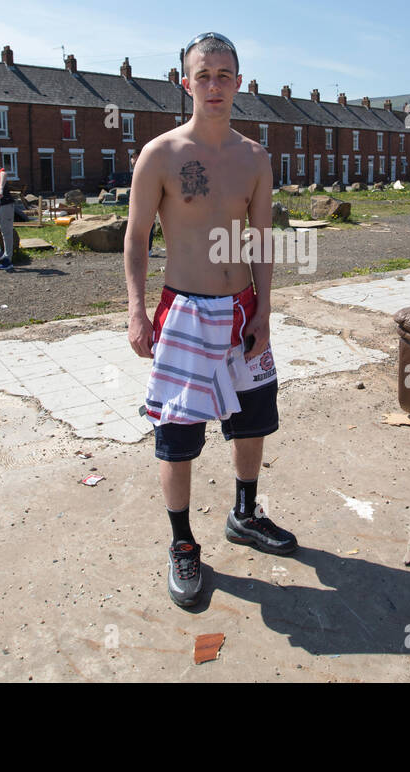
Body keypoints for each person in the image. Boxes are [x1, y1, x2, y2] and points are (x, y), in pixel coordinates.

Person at [124, 31, 295, 609]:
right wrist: (136, 309)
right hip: (186, 312)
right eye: (204, 75)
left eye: (225, 75)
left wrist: (266, 309)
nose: (215, 85)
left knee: (253, 421)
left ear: (239, 83)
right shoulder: (162, 154)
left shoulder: (254, 156)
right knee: (177, 436)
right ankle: (182, 545)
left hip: (243, 308)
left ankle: (245, 515)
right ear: (185, 82)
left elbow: (264, 240)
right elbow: (136, 239)